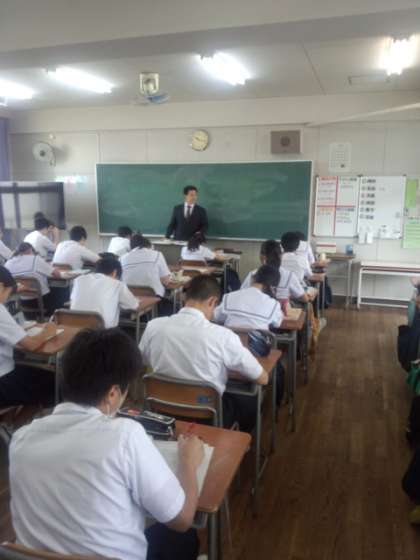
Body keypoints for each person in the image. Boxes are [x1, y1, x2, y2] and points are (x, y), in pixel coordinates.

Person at [9, 328, 203, 560]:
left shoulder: (21, 438)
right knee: (183, 537)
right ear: (113, 394)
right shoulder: (125, 435)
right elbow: (182, 519)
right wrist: (188, 461)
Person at [140, 275, 268, 431]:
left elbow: (143, 361)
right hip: (207, 417)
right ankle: (240, 440)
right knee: (249, 399)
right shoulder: (223, 336)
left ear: (185, 297)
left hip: (160, 410)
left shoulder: (153, 326)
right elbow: (262, 378)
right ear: (212, 302)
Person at [0, 266, 57, 407]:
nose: (6, 299)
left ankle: (12, 417)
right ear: (1, 287)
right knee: (55, 382)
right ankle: (19, 419)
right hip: (3, 381)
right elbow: (31, 345)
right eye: (8, 293)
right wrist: (48, 331)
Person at [70, 257, 139, 328]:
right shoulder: (117, 284)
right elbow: (133, 305)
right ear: (115, 272)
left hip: (74, 327)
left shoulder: (79, 280)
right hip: (102, 331)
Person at [214, 265, 283, 330]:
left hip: (230, 338)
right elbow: (277, 324)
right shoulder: (273, 304)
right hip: (258, 339)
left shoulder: (230, 296)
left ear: (253, 278)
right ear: (273, 288)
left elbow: (216, 317)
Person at [241, 240, 309, 305]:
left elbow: (241, 294)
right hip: (282, 311)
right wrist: (289, 296)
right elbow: (305, 299)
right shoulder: (289, 275)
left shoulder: (253, 274)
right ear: (281, 256)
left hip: (256, 310)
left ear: (262, 257)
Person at [5, 242, 61, 316]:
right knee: (59, 291)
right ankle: (56, 317)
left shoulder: (8, 263)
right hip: (41, 301)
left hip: (21, 301)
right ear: (30, 250)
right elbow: (57, 274)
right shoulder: (35, 259)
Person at [121, 234, 171, 298]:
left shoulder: (122, 258)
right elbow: (165, 281)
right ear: (148, 245)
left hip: (129, 297)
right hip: (153, 297)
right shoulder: (157, 254)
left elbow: (119, 281)